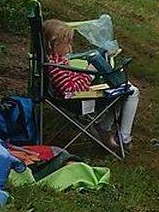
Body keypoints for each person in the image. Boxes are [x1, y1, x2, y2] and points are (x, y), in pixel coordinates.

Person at [43, 19, 140, 152]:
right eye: (67, 43)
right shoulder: (55, 67)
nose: (70, 47)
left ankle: (105, 127)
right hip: (76, 99)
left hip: (76, 95)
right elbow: (71, 89)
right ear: (54, 45)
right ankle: (122, 138)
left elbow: (71, 81)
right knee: (131, 92)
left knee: (125, 88)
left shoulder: (56, 61)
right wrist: (89, 74)